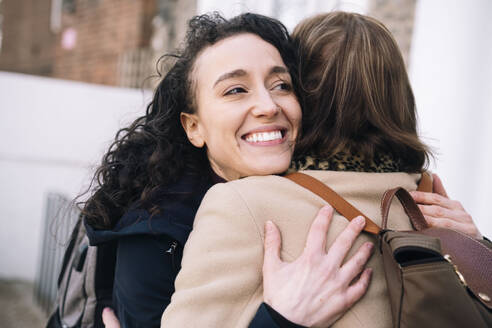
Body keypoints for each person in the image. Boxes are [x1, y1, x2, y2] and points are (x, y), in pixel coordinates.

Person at [160, 11, 484, 327]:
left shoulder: (242, 205)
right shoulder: (434, 204)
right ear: (400, 98)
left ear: (302, 92)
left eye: (281, 84)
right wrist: (479, 250)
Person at [84, 12, 373, 328]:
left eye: (281, 85)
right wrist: (283, 320)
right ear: (194, 128)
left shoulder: (311, 188)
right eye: (236, 90)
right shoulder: (155, 232)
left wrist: (420, 233)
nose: (268, 106)